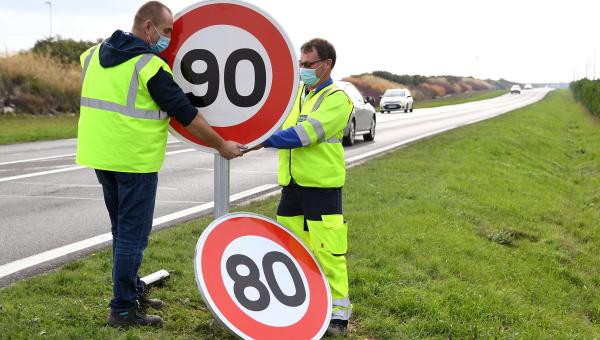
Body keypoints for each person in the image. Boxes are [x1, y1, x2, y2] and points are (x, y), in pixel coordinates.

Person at [76, 1, 245, 329]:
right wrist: (221, 145)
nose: (169, 37)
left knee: (121, 231)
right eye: (166, 31)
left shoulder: (92, 55)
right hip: (134, 161)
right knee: (132, 237)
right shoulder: (148, 66)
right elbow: (186, 115)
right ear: (148, 27)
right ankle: (123, 309)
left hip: (100, 155)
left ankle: (131, 290)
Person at [246, 38, 353, 336]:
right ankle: (302, 305)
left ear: (327, 64)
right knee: (290, 249)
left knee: (327, 251)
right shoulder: (297, 95)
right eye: (300, 64)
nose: (302, 69)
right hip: (292, 188)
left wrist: (262, 140)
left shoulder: (336, 97)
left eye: (308, 64)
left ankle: (338, 315)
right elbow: (275, 123)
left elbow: (306, 134)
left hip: (321, 189)